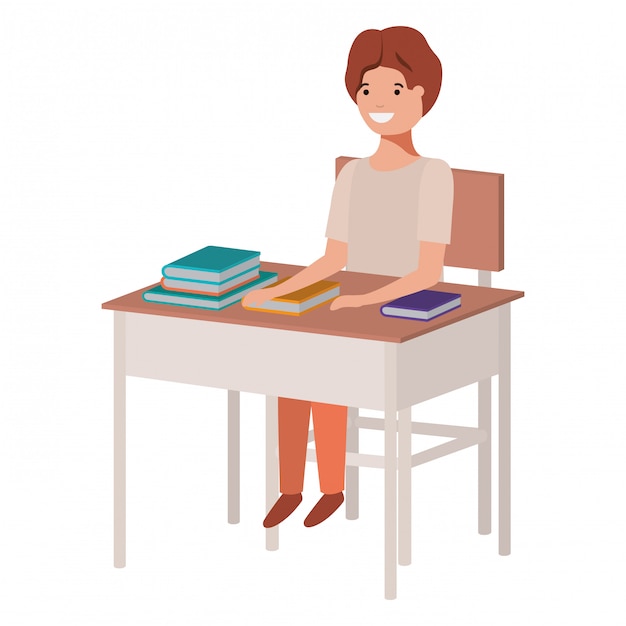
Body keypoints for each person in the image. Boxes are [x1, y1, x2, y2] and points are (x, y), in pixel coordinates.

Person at [241, 26, 454, 528]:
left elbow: (428, 270)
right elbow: (331, 260)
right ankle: (291, 488)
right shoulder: (353, 175)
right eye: (366, 92)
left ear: (421, 95)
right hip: (347, 300)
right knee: (290, 370)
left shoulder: (433, 174)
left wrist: (363, 302)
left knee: (324, 369)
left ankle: (331, 489)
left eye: (394, 91)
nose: (378, 103)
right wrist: (275, 291)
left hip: (400, 309)